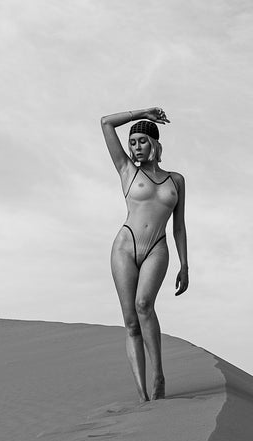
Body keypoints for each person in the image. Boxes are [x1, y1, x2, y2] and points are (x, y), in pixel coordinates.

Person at [100, 106, 188, 401]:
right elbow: (106, 123)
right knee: (130, 321)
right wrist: (144, 113)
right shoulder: (126, 170)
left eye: (142, 141)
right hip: (125, 246)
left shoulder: (176, 180)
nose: (137, 146)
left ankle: (159, 374)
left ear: (155, 144)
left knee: (144, 304)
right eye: (133, 141)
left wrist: (185, 265)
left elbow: (179, 226)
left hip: (157, 247)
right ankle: (142, 395)